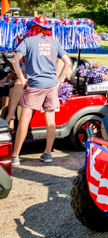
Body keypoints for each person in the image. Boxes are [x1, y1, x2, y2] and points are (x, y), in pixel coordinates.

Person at [10, 17, 71, 166]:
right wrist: (59, 80)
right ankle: (47, 154)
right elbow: (68, 63)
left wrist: (22, 79)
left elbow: (14, 61)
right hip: (51, 86)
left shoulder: (28, 42)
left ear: (33, 28)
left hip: (35, 85)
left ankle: (16, 156)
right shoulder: (54, 42)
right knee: (50, 121)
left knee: (24, 120)